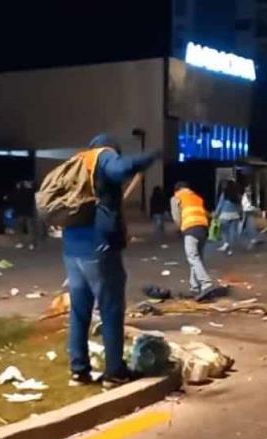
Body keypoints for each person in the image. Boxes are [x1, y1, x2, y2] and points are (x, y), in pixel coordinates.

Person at [63, 134, 159, 389]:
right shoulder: (102, 156)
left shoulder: (78, 162)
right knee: (111, 309)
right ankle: (114, 372)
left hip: (72, 248)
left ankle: (79, 370)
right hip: (99, 248)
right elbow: (121, 168)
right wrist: (150, 156)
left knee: (79, 311)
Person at [170, 181, 217, 301]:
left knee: (192, 257)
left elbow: (176, 216)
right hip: (203, 228)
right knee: (197, 259)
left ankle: (206, 283)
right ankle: (195, 287)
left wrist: (180, 228)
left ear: (177, 190)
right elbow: (206, 214)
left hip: (190, 228)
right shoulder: (197, 197)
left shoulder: (177, 197)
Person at [214, 179, 242, 254]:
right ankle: (231, 248)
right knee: (233, 232)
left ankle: (225, 244)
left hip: (224, 215)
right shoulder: (237, 195)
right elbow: (240, 206)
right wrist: (240, 214)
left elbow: (220, 204)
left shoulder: (224, 194)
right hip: (235, 215)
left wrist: (216, 214)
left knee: (224, 231)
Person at [12, 180, 38, 249]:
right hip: (28, 213)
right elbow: (34, 190)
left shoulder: (17, 192)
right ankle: (31, 244)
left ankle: (20, 243)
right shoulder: (30, 192)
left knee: (19, 229)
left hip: (19, 212)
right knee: (30, 229)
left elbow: (13, 200)